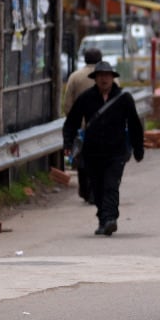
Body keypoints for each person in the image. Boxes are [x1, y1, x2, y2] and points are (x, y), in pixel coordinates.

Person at [62, 61, 144, 236]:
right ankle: (103, 219)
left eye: (107, 75)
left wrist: (138, 149)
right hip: (92, 152)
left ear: (113, 78)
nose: (104, 79)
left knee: (111, 185)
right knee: (97, 187)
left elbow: (135, 125)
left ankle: (110, 219)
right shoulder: (86, 98)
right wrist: (68, 143)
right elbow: (72, 122)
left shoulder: (124, 99)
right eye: (100, 76)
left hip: (116, 151)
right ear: (95, 79)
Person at [62, 46, 106, 203]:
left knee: (82, 160)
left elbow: (67, 104)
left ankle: (85, 190)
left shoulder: (75, 77)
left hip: (82, 128)